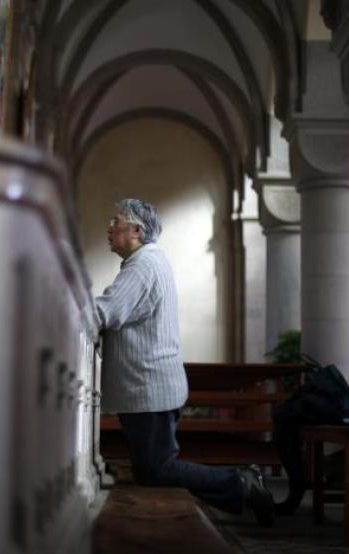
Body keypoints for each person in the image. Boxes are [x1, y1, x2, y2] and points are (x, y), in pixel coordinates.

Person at [96, 198, 275, 526]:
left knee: (158, 469)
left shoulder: (142, 266)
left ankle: (241, 483)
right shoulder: (146, 262)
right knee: (151, 470)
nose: (109, 228)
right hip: (148, 387)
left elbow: (105, 312)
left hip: (148, 388)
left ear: (136, 230)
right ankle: (239, 485)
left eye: (116, 221)